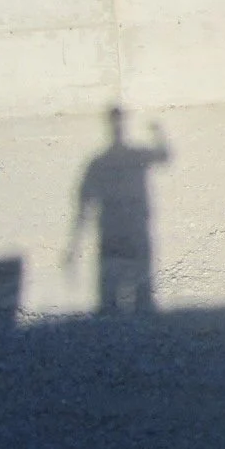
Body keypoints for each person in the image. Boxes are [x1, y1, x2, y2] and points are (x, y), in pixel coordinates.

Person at [65, 106, 171, 314]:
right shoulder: (130, 156)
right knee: (140, 290)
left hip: (112, 228)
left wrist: (73, 245)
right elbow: (164, 156)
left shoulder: (98, 162)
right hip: (133, 227)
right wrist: (158, 133)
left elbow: (84, 203)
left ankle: (115, 326)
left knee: (112, 293)